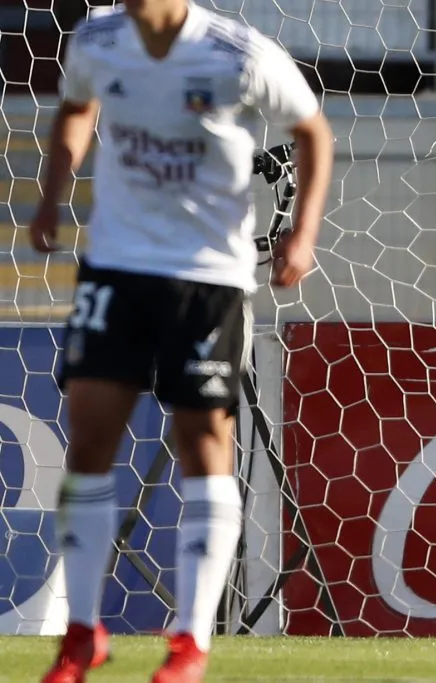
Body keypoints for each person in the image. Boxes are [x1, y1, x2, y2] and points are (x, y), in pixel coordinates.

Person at [32, 1, 333, 681]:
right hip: (116, 263)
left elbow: (312, 130)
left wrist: (303, 233)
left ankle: (191, 640)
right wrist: (54, 191)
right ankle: (82, 632)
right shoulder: (99, 38)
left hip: (207, 275)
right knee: (88, 437)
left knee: (202, 440)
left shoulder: (235, 52)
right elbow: (77, 107)